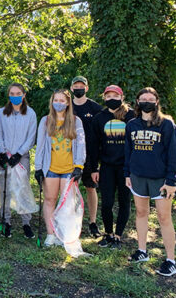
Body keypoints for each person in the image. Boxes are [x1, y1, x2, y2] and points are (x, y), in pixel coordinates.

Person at [125, 87, 176, 277]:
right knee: (141, 213)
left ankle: (171, 260)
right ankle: (142, 251)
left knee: (164, 218)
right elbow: (128, 152)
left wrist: (172, 180)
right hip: (138, 177)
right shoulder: (132, 125)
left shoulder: (167, 125)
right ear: (138, 102)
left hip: (160, 179)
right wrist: (127, 174)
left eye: (151, 98)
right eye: (143, 98)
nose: (147, 101)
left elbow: (175, 154)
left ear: (157, 102)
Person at [34, 89, 85, 247]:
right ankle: (51, 234)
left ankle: (64, 234)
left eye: (62, 100)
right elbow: (40, 146)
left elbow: (81, 145)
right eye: (56, 100)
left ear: (68, 102)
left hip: (69, 169)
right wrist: (38, 168)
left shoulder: (75, 121)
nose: (59, 103)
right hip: (50, 169)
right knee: (49, 200)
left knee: (67, 203)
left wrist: (79, 166)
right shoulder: (46, 121)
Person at [89, 85, 135, 249]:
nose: (111, 99)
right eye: (108, 96)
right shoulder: (99, 118)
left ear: (122, 97)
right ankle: (108, 233)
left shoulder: (131, 116)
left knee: (124, 202)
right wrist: (94, 168)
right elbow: (94, 145)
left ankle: (118, 235)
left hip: (126, 168)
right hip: (107, 167)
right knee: (107, 203)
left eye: (115, 95)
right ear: (104, 98)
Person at [0, 83, 37, 239]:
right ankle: (6, 221)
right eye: (12, 93)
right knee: (5, 189)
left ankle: (26, 222)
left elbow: (31, 137)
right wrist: (4, 152)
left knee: (23, 189)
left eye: (18, 93)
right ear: (8, 95)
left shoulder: (31, 114)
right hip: (4, 156)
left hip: (21, 157)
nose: (15, 96)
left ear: (24, 95)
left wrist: (18, 154)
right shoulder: (1, 113)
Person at [71, 76, 103, 238]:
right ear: (71, 89)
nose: (78, 88)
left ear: (87, 88)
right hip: (70, 155)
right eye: (75, 86)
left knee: (91, 188)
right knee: (71, 190)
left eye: (81, 86)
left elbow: (101, 133)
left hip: (90, 156)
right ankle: (73, 222)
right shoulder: (66, 106)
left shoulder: (95, 108)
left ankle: (92, 223)